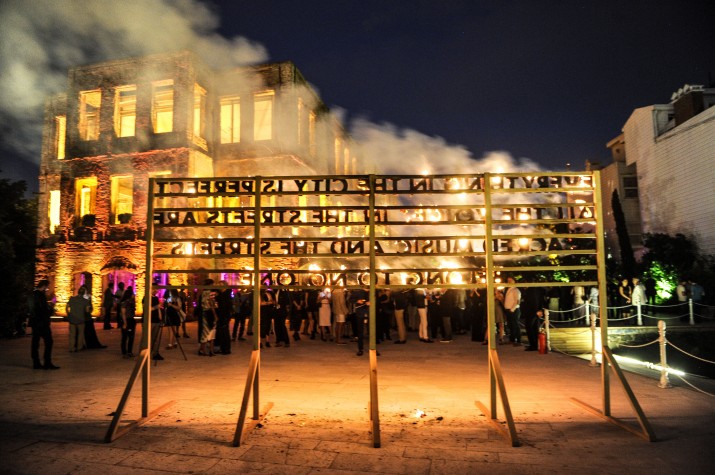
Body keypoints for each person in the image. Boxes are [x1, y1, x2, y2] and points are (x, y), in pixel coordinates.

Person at [29, 279, 59, 369]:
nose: (47, 289)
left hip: (35, 322)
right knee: (49, 342)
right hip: (42, 323)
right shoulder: (41, 296)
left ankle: (36, 362)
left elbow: (32, 309)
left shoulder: (32, 294)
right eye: (47, 287)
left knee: (35, 342)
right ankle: (47, 362)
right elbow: (43, 311)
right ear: (44, 286)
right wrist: (52, 305)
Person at [66, 285, 90, 352]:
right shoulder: (85, 301)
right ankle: (79, 347)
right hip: (81, 319)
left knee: (72, 334)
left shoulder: (72, 299)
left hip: (72, 319)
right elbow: (87, 310)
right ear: (83, 293)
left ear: (78, 292)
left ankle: (71, 347)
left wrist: (68, 314)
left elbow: (67, 307)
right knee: (80, 334)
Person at [198, 280, 217, 356]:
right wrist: (215, 315)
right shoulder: (211, 293)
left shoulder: (202, 293)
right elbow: (212, 305)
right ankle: (208, 350)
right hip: (209, 313)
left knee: (206, 332)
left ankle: (204, 350)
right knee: (211, 332)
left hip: (204, 313)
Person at [215, 282, 233, 354]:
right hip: (223, 315)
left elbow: (225, 307)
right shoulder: (223, 295)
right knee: (222, 332)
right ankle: (224, 348)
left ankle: (225, 349)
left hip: (224, 316)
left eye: (220, 285)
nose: (219, 286)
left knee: (224, 332)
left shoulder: (225, 295)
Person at [504, 277, 522, 346]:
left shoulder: (516, 290)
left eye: (510, 280)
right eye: (508, 280)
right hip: (508, 309)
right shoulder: (508, 289)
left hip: (513, 310)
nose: (509, 282)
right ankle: (512, 339)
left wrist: (512, 309)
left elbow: (517, 301)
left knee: (515, 325)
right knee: (511, 325)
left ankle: (518, 340)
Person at [119, 286, 136, 358]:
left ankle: (129, 351)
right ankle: (124, 352)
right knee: (125, 337)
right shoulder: (124, 303)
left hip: (131, 320)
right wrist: (125, 323)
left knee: (131, 336)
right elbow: (123, 313)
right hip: (126, 320)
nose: (134, 295)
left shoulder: (131, 302)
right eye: (132, 294)